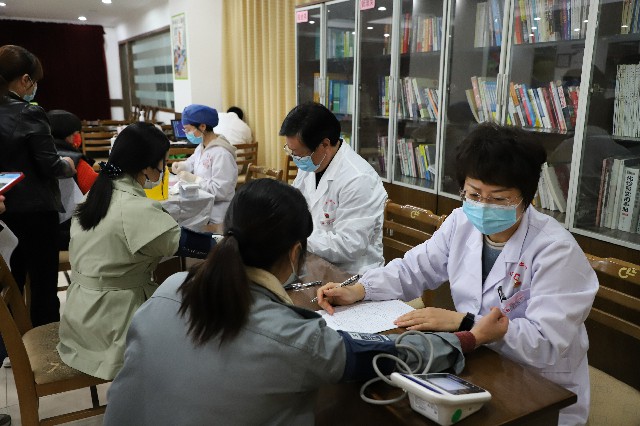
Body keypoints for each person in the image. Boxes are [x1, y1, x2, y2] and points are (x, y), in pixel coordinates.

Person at [103, 178, 508, 425]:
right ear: (296, 253)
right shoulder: (294, 339)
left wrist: (360, 289)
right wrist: (470, 336)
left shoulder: (171, 287)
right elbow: (391, 356)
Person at [316, 123, 599, 426]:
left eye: (499, 199)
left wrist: (463, 322)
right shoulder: (461, 221)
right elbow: (414, 268)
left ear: (526, 197)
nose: (483, 206)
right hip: (478, 359)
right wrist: (360, 289)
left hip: (538, 387)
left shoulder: (556, 251)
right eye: (474, 194)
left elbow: (545, 344)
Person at [57, 122, 216, 381]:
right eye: (163, 162)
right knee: (200, 324)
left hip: (80, 317)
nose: (164, 168)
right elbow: (191, 245)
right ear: (146, 166)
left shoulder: (95, 195)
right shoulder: (133, 208)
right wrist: (233, 242)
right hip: (112, 323)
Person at [0, 45, 76, 330]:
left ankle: (13, 343)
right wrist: (67, 164)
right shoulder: (29, 112)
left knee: (11, 279)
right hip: (34, 211)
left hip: (4, 210)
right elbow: (50, 165)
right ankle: (46, 339)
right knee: (43, 283)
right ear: (25, 79)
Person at [280, 102, 387, 274]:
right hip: (314, 261)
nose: (295, 158)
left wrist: (297, 238)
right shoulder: (311, 164)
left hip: (351, 274)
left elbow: (350, 245)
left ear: (324, 144)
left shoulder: (358, 178)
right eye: (291, 152)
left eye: (299, 154)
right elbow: (294, 205)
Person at [171, 104, 237, 230]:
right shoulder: (202, 147)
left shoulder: (222, 154)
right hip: (203, 208)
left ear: (202, 126)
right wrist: (183, 165)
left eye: (189, 130)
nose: (187, 134)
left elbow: (221, 191)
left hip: (217, 215)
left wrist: (195, 180)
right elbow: (192, 162)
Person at [47, 109, 99, 250]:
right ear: (69, 136)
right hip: (73, 234)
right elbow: (98, 192)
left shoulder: (36, 158)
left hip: (40, 234)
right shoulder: (76, 162)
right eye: (76, 133)